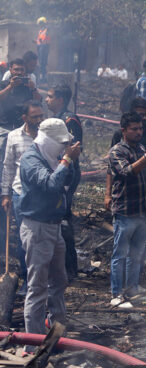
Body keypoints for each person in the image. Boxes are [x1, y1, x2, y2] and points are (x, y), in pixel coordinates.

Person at [18, 119, 80, 352]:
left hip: (54, 226)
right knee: (37, 287)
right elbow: (51, 185)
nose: (64, 148)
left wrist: (69, 163)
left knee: (59, 280)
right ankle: (32, 345)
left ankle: (57, 331)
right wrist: (67, 159)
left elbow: (70, 182)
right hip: (37, 227)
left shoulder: (53, 157)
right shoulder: (31, 160)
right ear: (49, 140)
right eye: (61, 143)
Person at [108, 112, 146, 308]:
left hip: (142, 212)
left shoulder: (142, 147)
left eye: (140, 128)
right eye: (134, 129)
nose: (139, 132)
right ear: (123, 130)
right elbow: (127, 172)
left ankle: (132, 288)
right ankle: (116, 294)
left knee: (137, 254)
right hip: (125, 212)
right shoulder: (117, 151)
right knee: (120, 255)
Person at [1, 101, 45, 281]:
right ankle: (27, 279)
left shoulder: (46, 136)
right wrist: (5, 194)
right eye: (35, 117)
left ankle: (40, 279)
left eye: (41, 116)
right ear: (25, 118)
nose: (39, 120)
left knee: (41, 238)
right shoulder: (13, 136)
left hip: (43, 194)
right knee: (23, 238)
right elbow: (9, 166)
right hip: (20, 194)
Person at [46, 84, 83, 280]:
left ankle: (70, 268)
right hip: (57, 175)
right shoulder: (55, 119)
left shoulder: (69, 120)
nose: (47, 100)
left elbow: (74, 150)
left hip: (67, 177)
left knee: (65, 220)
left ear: (60, 99)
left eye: (50, 96)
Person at [106, 97, 146, 211]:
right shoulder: (120, 134)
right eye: (141, 114)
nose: (145, 118)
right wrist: (107, 194)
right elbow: (111, 167)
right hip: (124, 192)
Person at [0, 59, 41, 151]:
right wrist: (10, 86)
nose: (19, 72)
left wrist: (33, 88)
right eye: (16, 69)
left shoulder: (28, 87)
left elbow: (38, 102)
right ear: (10, 70)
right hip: (4, 127)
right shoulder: (3, 84)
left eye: (22, 70)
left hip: (22, 128)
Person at [36, 18, 49, 83]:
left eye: (40, 23)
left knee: (43, 62)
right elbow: (39, 39)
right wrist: (36, 41)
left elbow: (46, 38)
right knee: (40, 62)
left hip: (44, 46)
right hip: (40, 46)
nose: (39, 25)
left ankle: (43, 77)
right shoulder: (40, 31)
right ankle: (42, 76)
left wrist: (42, 41)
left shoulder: (47, 29)